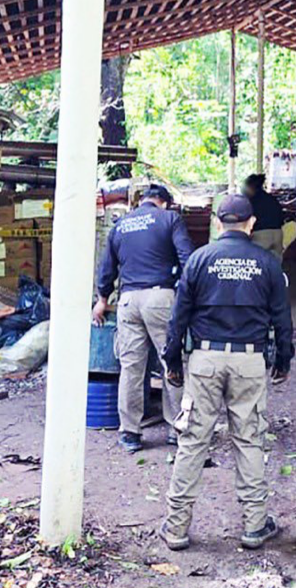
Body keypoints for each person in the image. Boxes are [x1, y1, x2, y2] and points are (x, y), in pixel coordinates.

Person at [161, 194, 294, 552]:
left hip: (205, 361)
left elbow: (178, 317)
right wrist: (284, 359)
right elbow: (282, 318)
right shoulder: (267, 263)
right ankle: (254, 526)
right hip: (249, 362)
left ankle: (176, 528)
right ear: (252, 224)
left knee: (193, 441)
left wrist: (173, 361)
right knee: (248, 440)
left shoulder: (199, 260)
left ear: (218, 223)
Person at [93, 182, 193, 453]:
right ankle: (177, 429)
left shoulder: (121, 225)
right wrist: (189, 298)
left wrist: (102, 300)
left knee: (131, 368)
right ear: (164, 202)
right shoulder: (170, 219)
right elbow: (188, 260)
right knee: (171, 361)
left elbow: (106, 269)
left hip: (128, 301)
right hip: (161, 299)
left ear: (142, 200)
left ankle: (130, 433)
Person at [242, 173, 285, 259]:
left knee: (258, 261)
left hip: (261, 235)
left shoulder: (251, 201)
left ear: (251, 187)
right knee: (275, 263)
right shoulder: (271, 198)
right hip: (278, 233)